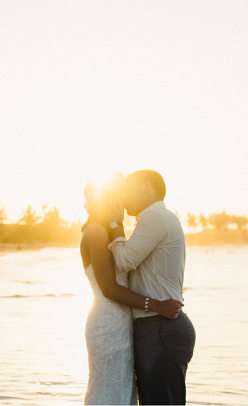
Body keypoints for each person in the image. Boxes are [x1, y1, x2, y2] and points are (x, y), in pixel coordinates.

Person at [81, 174, 182, 405]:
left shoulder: (112, 232)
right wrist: (157, 305)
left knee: (123, 390)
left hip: (123, 323)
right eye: (118, 197)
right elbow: (108, 288)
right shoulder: (96, 231)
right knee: (108, 390)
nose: (123, 203)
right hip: (107, 323)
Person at [107, 170, 196, 405]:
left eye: (128, 190)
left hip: (160, 327)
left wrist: (115, 225)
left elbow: (124, 261)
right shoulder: (158, 218)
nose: (124, 198)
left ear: (146, 187)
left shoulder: (155, 217)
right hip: (161, 326)